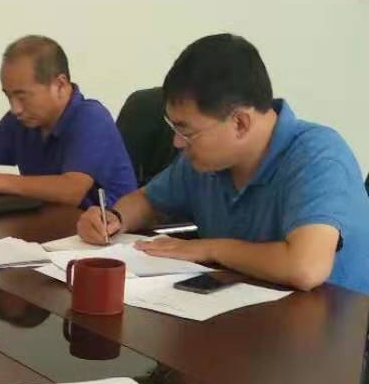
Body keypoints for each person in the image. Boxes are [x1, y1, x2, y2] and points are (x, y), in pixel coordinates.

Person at [78, 34, 369, 294]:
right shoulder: (204, 161)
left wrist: (209, 248)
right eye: (174, 128)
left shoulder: (318, 157)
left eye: (186, 132)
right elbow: (149, 200)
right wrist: (114, 218)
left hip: (332, 328)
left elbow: (305, 267)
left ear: (240, 123)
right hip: (241, 314)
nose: (177, 143)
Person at [0, 35, 136, 208]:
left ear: (59, 85)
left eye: (22, 96)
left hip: (109, 240)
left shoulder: (91, 118)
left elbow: (71, 189)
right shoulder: (23, 120)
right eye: (8, 96)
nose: (15, 108)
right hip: (51, 229)